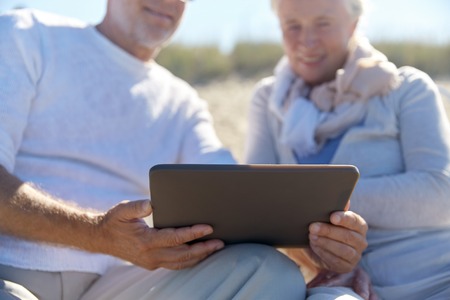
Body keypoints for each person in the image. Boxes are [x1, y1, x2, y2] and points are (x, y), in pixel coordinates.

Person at [0, 0, 369, 299]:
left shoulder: (182, 102)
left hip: (120, 283)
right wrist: (98, 233)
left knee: (269, 272)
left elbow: (241, 198)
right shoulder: (29, 35)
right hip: (13, 270)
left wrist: (320, 249)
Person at [246, 0, 450, 299]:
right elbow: (255, 205)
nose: (307, 40)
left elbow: (441, 193)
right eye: (292, 26)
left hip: (434, 273)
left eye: (323, 22)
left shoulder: (406, 88)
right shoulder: (268, 100)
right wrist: (325, 256)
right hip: (333, 285)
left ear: (353, 24)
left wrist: (314, 204)